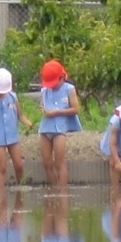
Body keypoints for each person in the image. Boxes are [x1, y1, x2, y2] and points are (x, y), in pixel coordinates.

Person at [0, 68, 33, 188]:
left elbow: (20, 115)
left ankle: (20, 187)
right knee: (2, 167)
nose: (1, 93)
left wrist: (27, 123)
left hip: (12, 136)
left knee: (19, 165)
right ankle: (0, 195)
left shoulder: (13, 97)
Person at [38, 59, 82, 188]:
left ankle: (62, 192)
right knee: (47, 163)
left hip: (60, 130)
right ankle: (54, 188)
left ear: (62, 77)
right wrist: (43, 110)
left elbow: (75, 109)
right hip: (45, 128)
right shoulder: (44, 91)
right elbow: (42, 105)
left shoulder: (69, 89)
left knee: (59, 162)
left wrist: (56, 112)